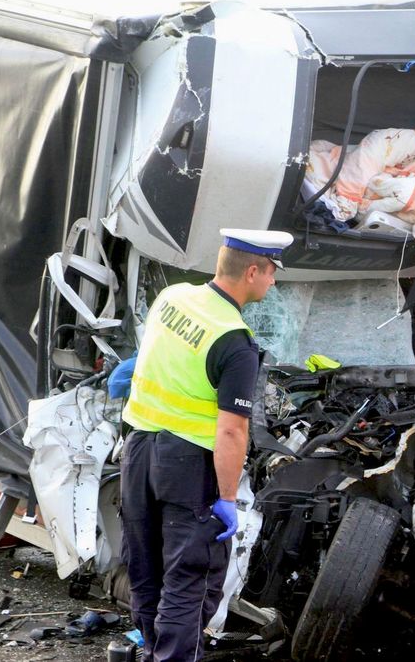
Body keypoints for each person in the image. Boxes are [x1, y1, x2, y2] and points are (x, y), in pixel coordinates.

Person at [119, 228, 293, 661]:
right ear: (252, 271)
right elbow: (232, 431)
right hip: (188, 464)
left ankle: (153, 651)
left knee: (146, 568)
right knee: (189, 580)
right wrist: (229, 498)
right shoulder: (234, 341)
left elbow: (156, 359)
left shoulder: (172, 298)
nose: (273, 282)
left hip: (138, 450)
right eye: (271, 272)